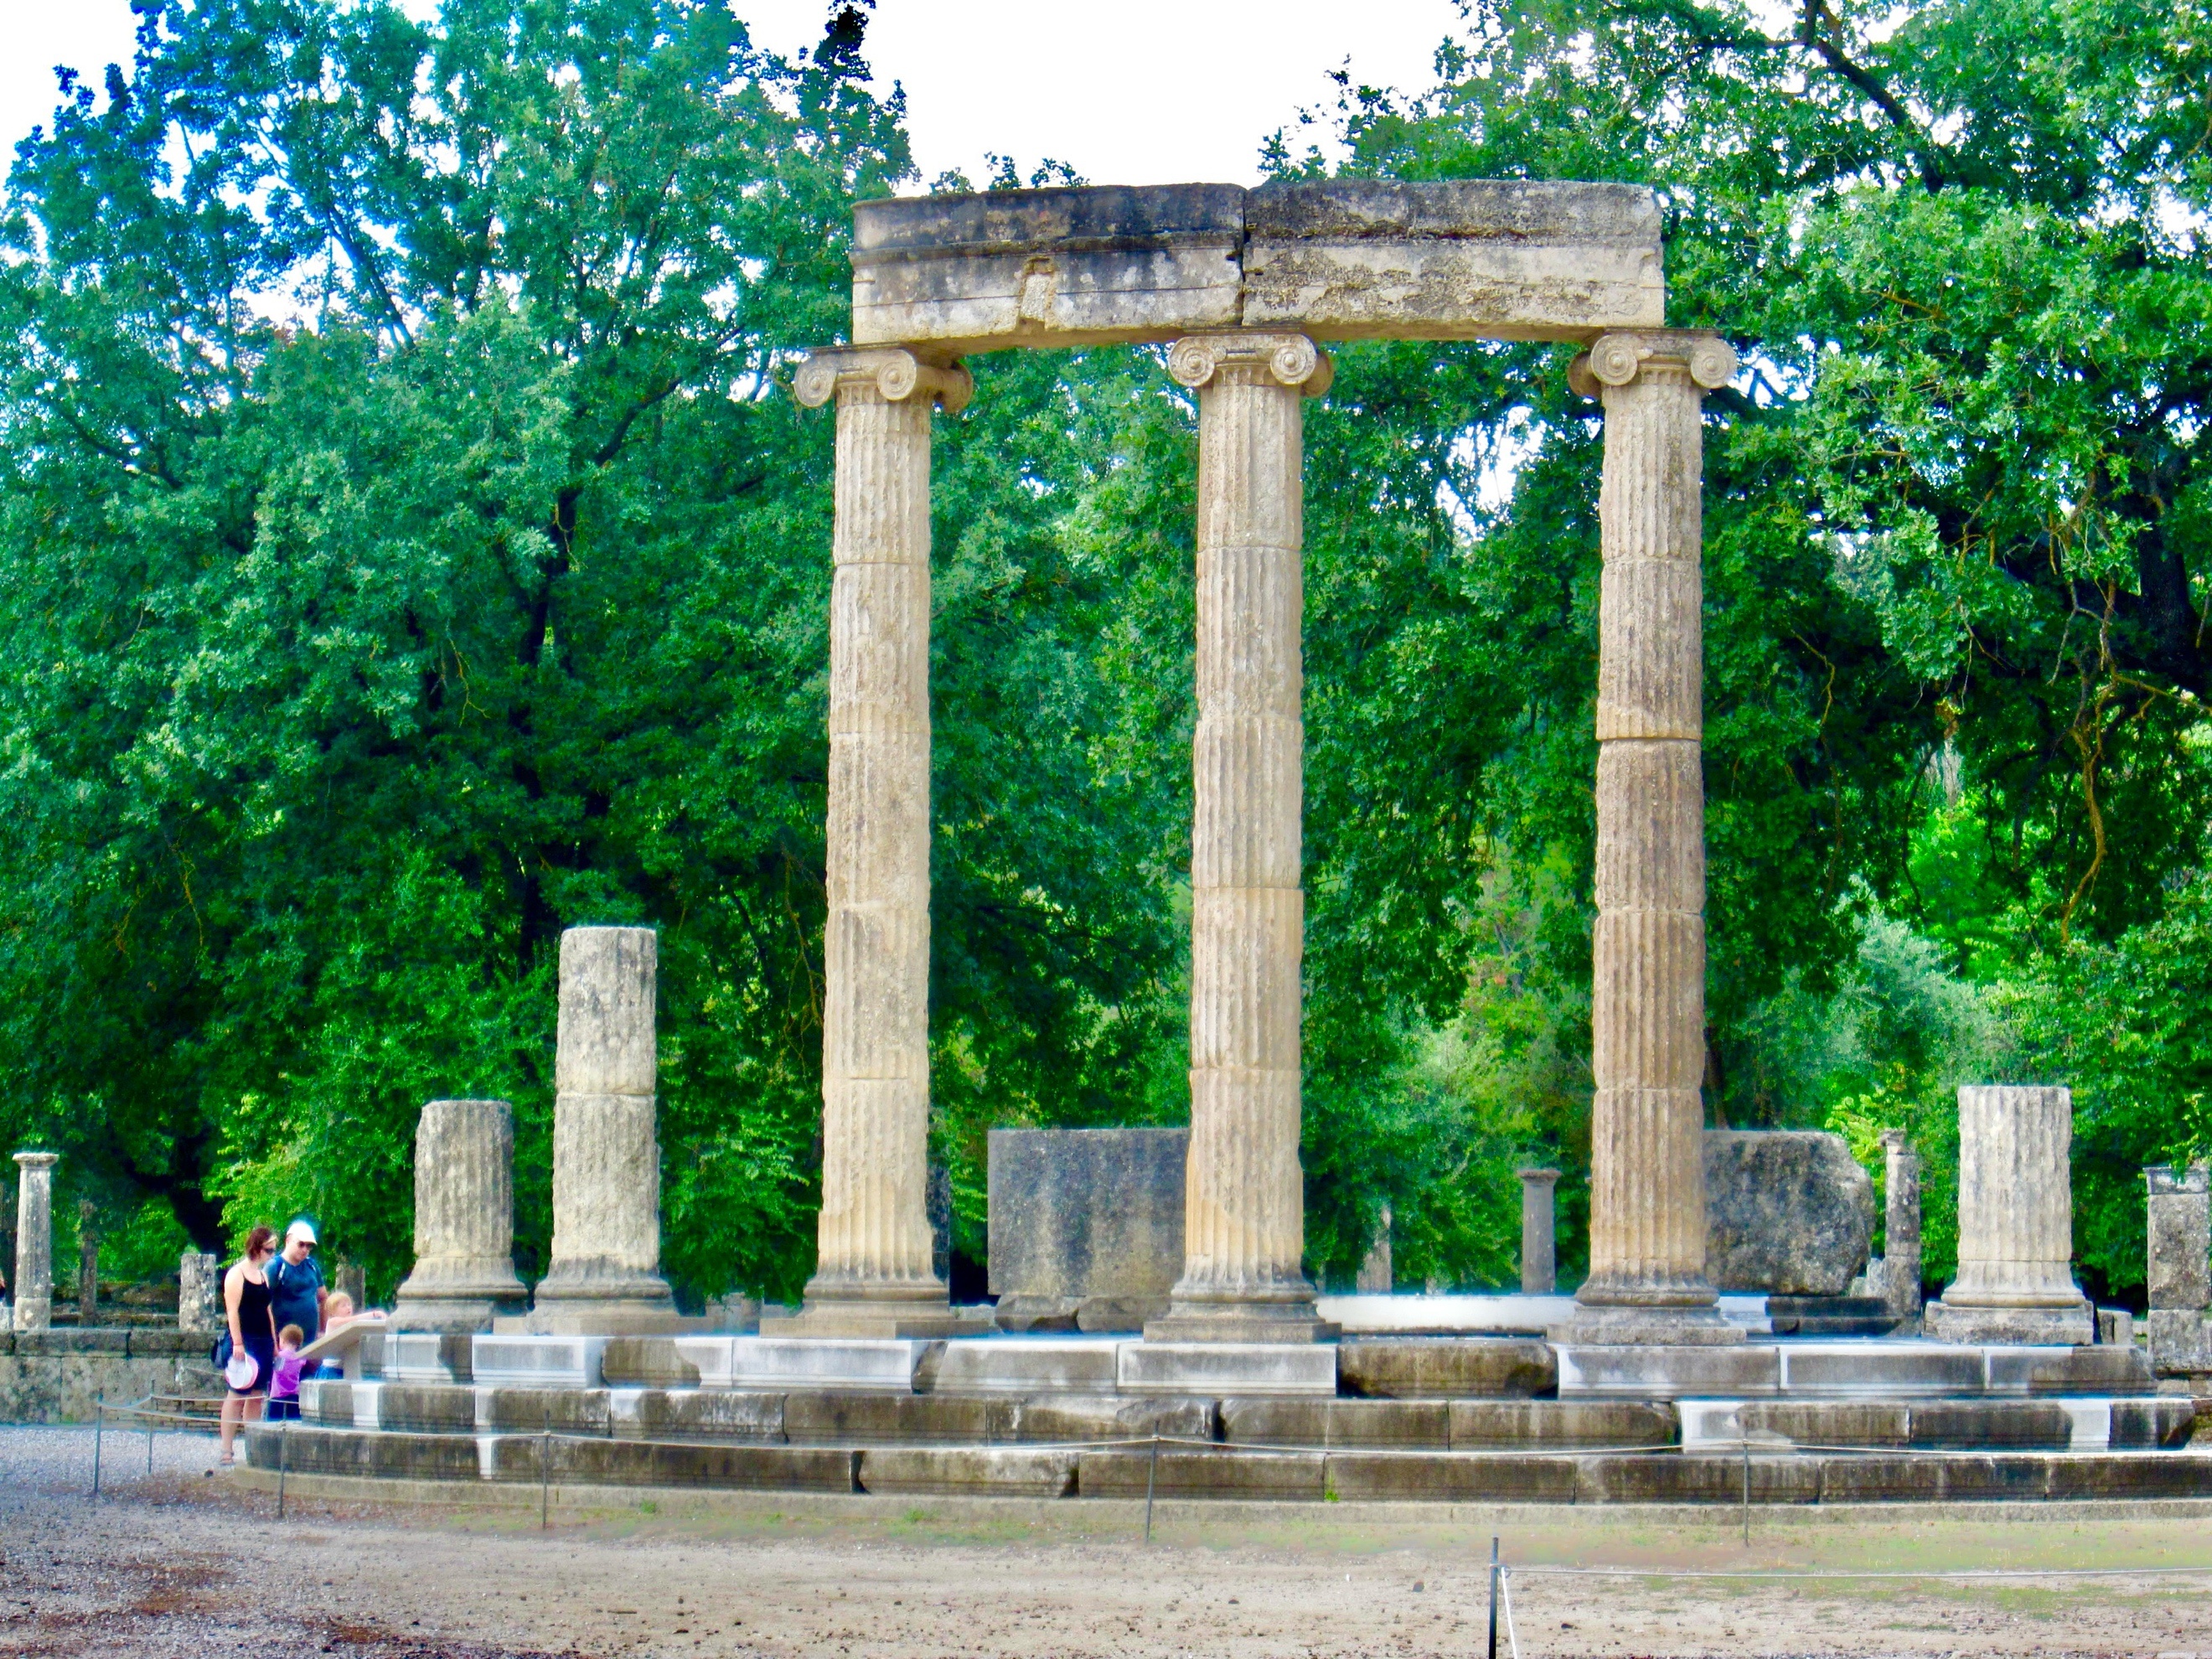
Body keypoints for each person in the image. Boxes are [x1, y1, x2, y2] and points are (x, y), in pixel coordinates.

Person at [219, 1225, 278, 1465]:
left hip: (263, 1339)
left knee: (256, 1396)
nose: (272, 1254)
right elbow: (232, 1310)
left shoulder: (263, 1276)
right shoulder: (237, 1273)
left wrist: (274, 1342)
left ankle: (253, 1448)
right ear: (257, 1248)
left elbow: (268, 1310)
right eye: (269, 1250)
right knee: (237, 1394)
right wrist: (238, 1342)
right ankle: (226, 1449)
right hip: (245, 1339)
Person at [266, 1218, 326, 1346]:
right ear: (288, 1241)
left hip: (310, 1340)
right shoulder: (275, 1266)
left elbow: (323, 1297)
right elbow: (264, 1304)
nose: (305, 1249)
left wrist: (323, 1330)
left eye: (309, 1246)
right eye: (301, 1244)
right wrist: (271, 1339)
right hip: (284, 1342)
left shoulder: (312, 1266)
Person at [266, 1324, 305, 1421]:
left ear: (282, 1340)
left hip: (278, 1394)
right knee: (294, 1421)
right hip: (294, 1394)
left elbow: (277, 1370)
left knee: (273, 1422)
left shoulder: (280, 1357)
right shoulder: (300, 1357)